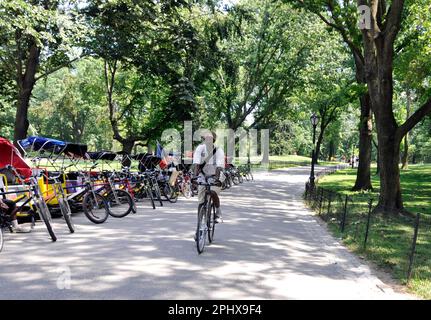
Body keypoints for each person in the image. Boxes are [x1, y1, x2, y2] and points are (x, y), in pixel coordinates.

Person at [193, 131, 225, 223]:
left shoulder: (218, 151)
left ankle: (218, 213)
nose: (207, 140)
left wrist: (216, 179)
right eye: (205, 138)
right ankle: (199, 226)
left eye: (210, 138)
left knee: (213, 192)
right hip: (203, 175)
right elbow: (196, 163)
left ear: (213, 140)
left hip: (216, 175)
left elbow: (219, 166)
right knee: (201, 201)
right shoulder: (200, 148)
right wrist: (195, 177)